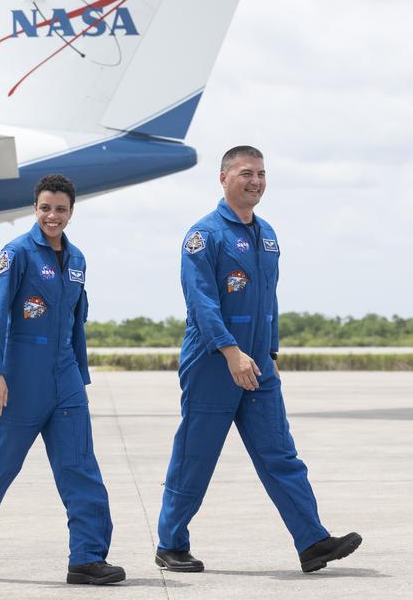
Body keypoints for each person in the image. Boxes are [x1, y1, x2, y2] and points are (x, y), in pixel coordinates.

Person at [154, 145, 361, 574]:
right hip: (214, 363)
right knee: (196, 456)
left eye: (262, 174)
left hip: (259, 367)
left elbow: (269, 302)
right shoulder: (204, 235)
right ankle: (171, 543)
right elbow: (202, 304)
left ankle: (312, 541)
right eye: (247, 173)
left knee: (280, 453)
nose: (256, 181)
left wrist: (270, 353)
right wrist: (231, 352)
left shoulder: (267, 234)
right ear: (224, 178)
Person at [0, 174, 124, 585]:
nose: (53, 216)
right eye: (45, 208)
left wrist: (80, 374)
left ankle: (87, 557)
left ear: (71, 212)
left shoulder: (77, 260)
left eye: (61, 209)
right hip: (22, 377)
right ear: (35, 209)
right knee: (0, 465)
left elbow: (78, 320)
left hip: (66, 378)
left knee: (81, 467)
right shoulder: (17, 253)